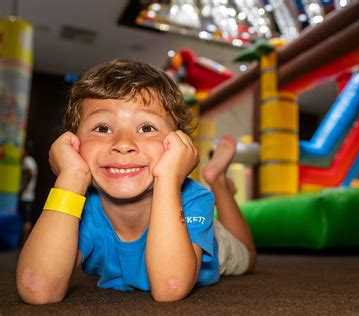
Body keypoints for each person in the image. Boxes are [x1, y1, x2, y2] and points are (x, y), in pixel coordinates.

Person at [16, 59, 256, 305]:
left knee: (248, 257)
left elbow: (169, 287)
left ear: (177, 144)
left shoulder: (192, 198)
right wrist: (70, 177)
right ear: (74, 144)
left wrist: (169, 179)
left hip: (200, 232)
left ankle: (217, 181)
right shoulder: (82, 210)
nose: (123, 144)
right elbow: (38, 289)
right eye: (102, 128)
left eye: (146, 127)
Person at [18, 147, 38, 247]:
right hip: (29, 195)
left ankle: (23, 241)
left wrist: (23, 189)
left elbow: (31, 173)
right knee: (26, 219)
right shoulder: (30, 161)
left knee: (26, 220)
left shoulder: (27, 161)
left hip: (27, 196)